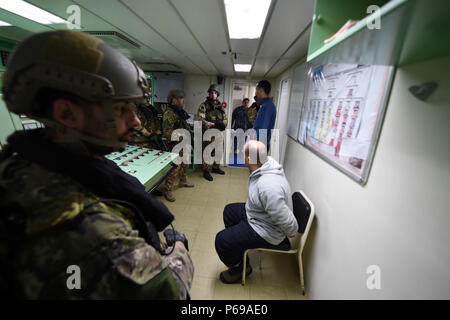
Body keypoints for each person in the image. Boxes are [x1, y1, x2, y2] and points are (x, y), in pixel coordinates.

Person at [0, 30, 193, 299]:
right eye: (119, 109)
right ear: (67, 113)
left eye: (134, 109)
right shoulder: (97, 235)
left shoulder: (17, 166)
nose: (136, 122)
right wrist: (180, 249)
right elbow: (173, 294)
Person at [215, 140, 298, 284]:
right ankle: (239, 248)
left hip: (266, 230)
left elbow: (285, 220)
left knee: (222, 241)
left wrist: (291, 232)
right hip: (258, 216)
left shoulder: (268, 187)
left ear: (248, 159)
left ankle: (240, 268)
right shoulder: (266, 164)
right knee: (229, 211)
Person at [162, 90, 195, 202]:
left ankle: (183, 180)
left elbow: (185, 127)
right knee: (174, 169)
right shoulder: (169, 113)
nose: (183, 100)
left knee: (186, 164)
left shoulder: (180, 112)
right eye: (180, 98)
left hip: (184, 144)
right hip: (176, 145)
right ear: (173, 99)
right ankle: (168, 189)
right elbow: (167, 132)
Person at [197, 84, 227, 181]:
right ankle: (206, 171)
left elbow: (225, 118)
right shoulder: (204, 105)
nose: (213, 94)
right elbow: (200, 119)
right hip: (208, 133)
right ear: (209, 93)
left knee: (219, 151)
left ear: (217, 94)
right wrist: (212, 124)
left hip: (218, 133)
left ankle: (216, 168)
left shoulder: (220, 106)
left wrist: (223, 123)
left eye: (215, 93)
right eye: (211, 92)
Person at [252, 80, 276, 151]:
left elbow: (263, 129)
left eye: (256, 90)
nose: (256, 93)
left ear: (261, 90)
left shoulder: (267, 107)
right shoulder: (265, 105)